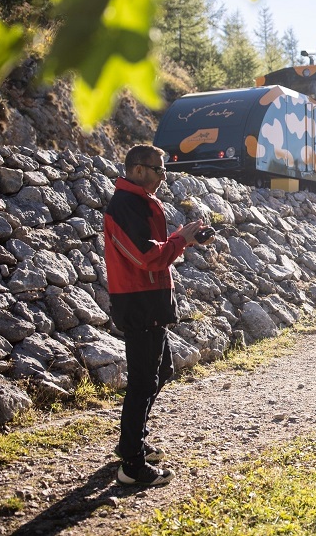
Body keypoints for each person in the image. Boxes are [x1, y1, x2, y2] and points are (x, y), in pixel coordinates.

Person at [104, 145, 206, 486]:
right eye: (159, 169)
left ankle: (132, 443)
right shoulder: (125, 205)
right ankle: (132, 465)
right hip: (138, 302)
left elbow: (153, 253)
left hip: (150, 301)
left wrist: (183, 240)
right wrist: (180, 240)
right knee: (143, 380)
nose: (164, 176)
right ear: (137, 169)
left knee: (161, 371)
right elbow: (146, 257)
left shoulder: (140, 201)